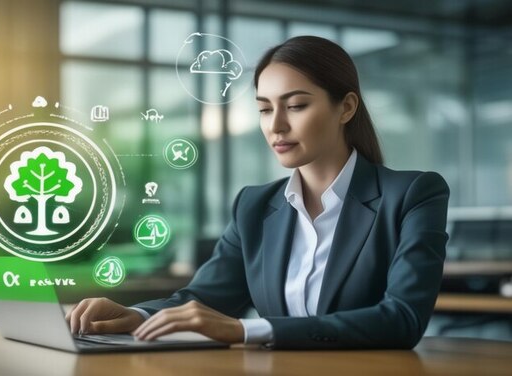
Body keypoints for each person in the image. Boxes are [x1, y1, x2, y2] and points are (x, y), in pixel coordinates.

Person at [65, 35, 450, 350]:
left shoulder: (414, 194)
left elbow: (402, 319)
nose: (276, 126)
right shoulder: (254, 205)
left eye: (296, 105)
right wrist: (138, 315)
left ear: (346, 107)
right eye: (265, 109)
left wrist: (251, 330)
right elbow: (204, 299)